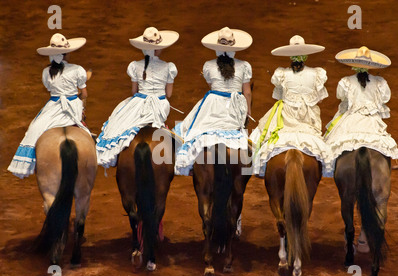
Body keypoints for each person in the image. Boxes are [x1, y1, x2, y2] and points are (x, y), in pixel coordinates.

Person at [8, 33, 91, 179]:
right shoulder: (78, 69)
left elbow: (50, 89)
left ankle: (29, 163)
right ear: (67, 53)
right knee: (84, 129)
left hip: (53, 106)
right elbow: (84, 94)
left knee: (34, 129)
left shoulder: (46, 72)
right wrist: (80, 101)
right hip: (73, 105)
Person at [174, 27, 253, 176]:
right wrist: (248, 111)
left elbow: (212, 87)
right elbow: (247, 92)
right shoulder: (244, 66)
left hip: (213, 103)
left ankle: (189, 165)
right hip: (235, 105)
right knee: (244, 137)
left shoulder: (208, 65)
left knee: (190, 132)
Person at [96, 27, 179, 168]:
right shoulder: (169, 67)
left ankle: (115, 156)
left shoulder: (135, 66)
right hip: (160, 105)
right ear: (158, 49)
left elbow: (134, 91)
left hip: (139, 102)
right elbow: (169, 94)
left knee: (119, 124)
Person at [250, 35, 329, 177]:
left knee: (257, 135)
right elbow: (319, 99)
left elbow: (279, 97)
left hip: (286, 116)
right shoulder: (317, 74)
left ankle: (255, 166)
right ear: (305, 55)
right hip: (307, 119)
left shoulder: (281, 74)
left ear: (290, 56)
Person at [323, 46, 398, 177]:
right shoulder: (379, 82)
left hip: (351, 119)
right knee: (384, 138)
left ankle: (329, 164)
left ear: (354, 65)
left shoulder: (346, 81)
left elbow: (341, 97)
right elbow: (385, 98)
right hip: (370, 119)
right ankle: (396, 159)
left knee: (332, 140)